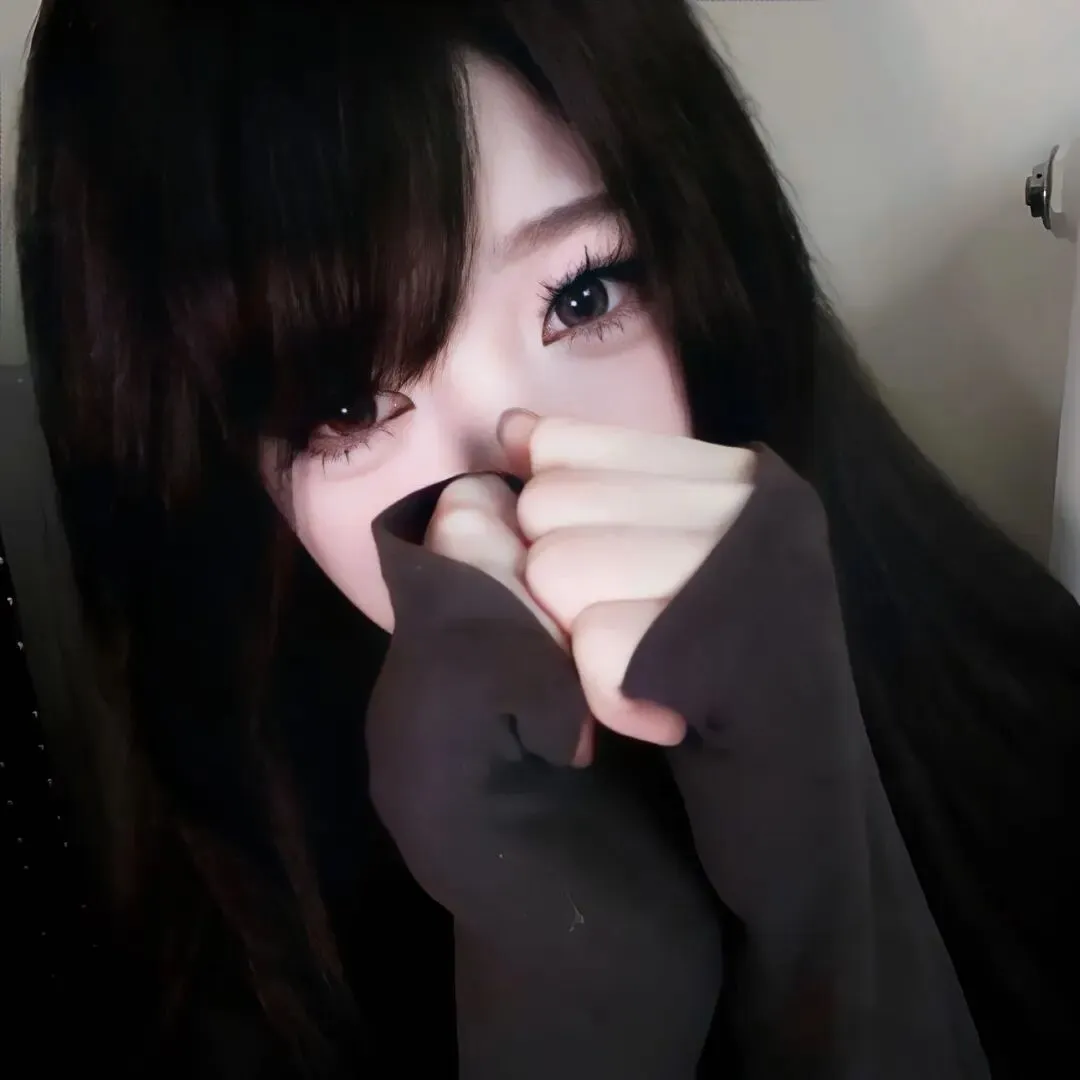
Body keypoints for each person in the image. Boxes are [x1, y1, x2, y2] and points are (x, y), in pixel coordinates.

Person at [13, 0, 1077, 1077]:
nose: (508, 488)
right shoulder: (240, 972)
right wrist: (571, 983)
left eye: (583, 294)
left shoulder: (1029, 712)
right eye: (344, 406)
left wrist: (829, 883)